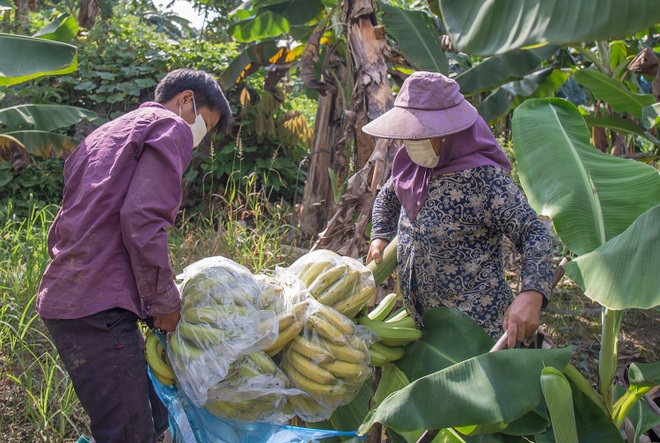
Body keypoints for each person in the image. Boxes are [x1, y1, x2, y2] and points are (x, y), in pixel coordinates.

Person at [36, 68, 232, 442]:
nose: (198, 139)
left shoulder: (105, 134)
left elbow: (68, 219)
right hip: (98, 308)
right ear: (186, 100)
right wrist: (163, 301)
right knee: (129, 433)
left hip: (68, 296)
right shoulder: (169, 126)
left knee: (153, 416)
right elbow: (142, 218)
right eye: (204, 126)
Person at [363, 71, 554, 349]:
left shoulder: (484, 180)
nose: (413, 143)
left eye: (423, 134)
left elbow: (533, 232)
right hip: (422, 322)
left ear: (450, 132)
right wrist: (379, 236)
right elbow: (387, 198)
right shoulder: (411, 168)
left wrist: (532, 294)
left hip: (476, 330)